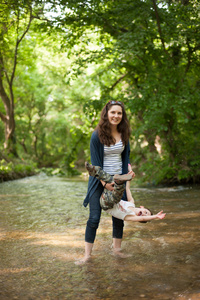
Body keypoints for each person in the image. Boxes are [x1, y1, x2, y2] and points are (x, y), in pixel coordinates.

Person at [76, 100, 134, 265]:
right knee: (94, 218)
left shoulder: (124, 133)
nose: (116, 116)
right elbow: (94, 165)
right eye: (113, 112)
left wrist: (128, 171)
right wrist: (105, 183)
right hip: (98, 181)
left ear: (122, 116)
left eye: (119, 113)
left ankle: (117, 250)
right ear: (106, 114)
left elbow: (126, 157)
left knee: (119, 218)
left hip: (119, 180)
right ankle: (87, 255)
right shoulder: (97, 135)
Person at [85, 162, 166, 223]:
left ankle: (119, 182)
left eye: (145, 216)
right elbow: (128, 188)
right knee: (111, 181)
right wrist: (130, 172)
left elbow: (143, 218)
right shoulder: (131, 203)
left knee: (119, 192)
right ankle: (94, 170)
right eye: (146, 212)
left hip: (107, 204)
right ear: (142, 207)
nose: (144, 215)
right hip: (109, 195)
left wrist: (155, 216)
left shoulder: (131, 216)